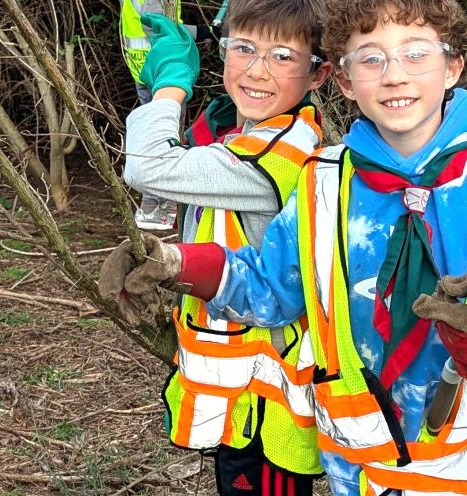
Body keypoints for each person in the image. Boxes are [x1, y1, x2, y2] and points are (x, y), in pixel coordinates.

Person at [103, 0, 467, 494]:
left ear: (452, 68)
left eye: (416, 54)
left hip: (463, 463)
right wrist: (176, 264)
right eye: (371, 58)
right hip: (355, 462)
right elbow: (270, 288)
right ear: (343, 80)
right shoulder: (323, 181)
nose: (394, 76)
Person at [101, 0, 333, 494]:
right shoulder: (246, 133)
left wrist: (170, 85)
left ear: (318, 74)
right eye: (243, 49)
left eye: (282, 57)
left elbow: (149, 168)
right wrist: (161, 90)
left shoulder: (281, 153)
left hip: (269, 398)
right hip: (241, 388)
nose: (256, 70)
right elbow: (171, 184)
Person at [120, 0, 181, 230]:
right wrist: (198, 34)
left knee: (151, 133)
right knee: (164, 137)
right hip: (162, 73)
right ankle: (162, 203)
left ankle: (149, 204)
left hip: (143, 71)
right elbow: (160, 28)